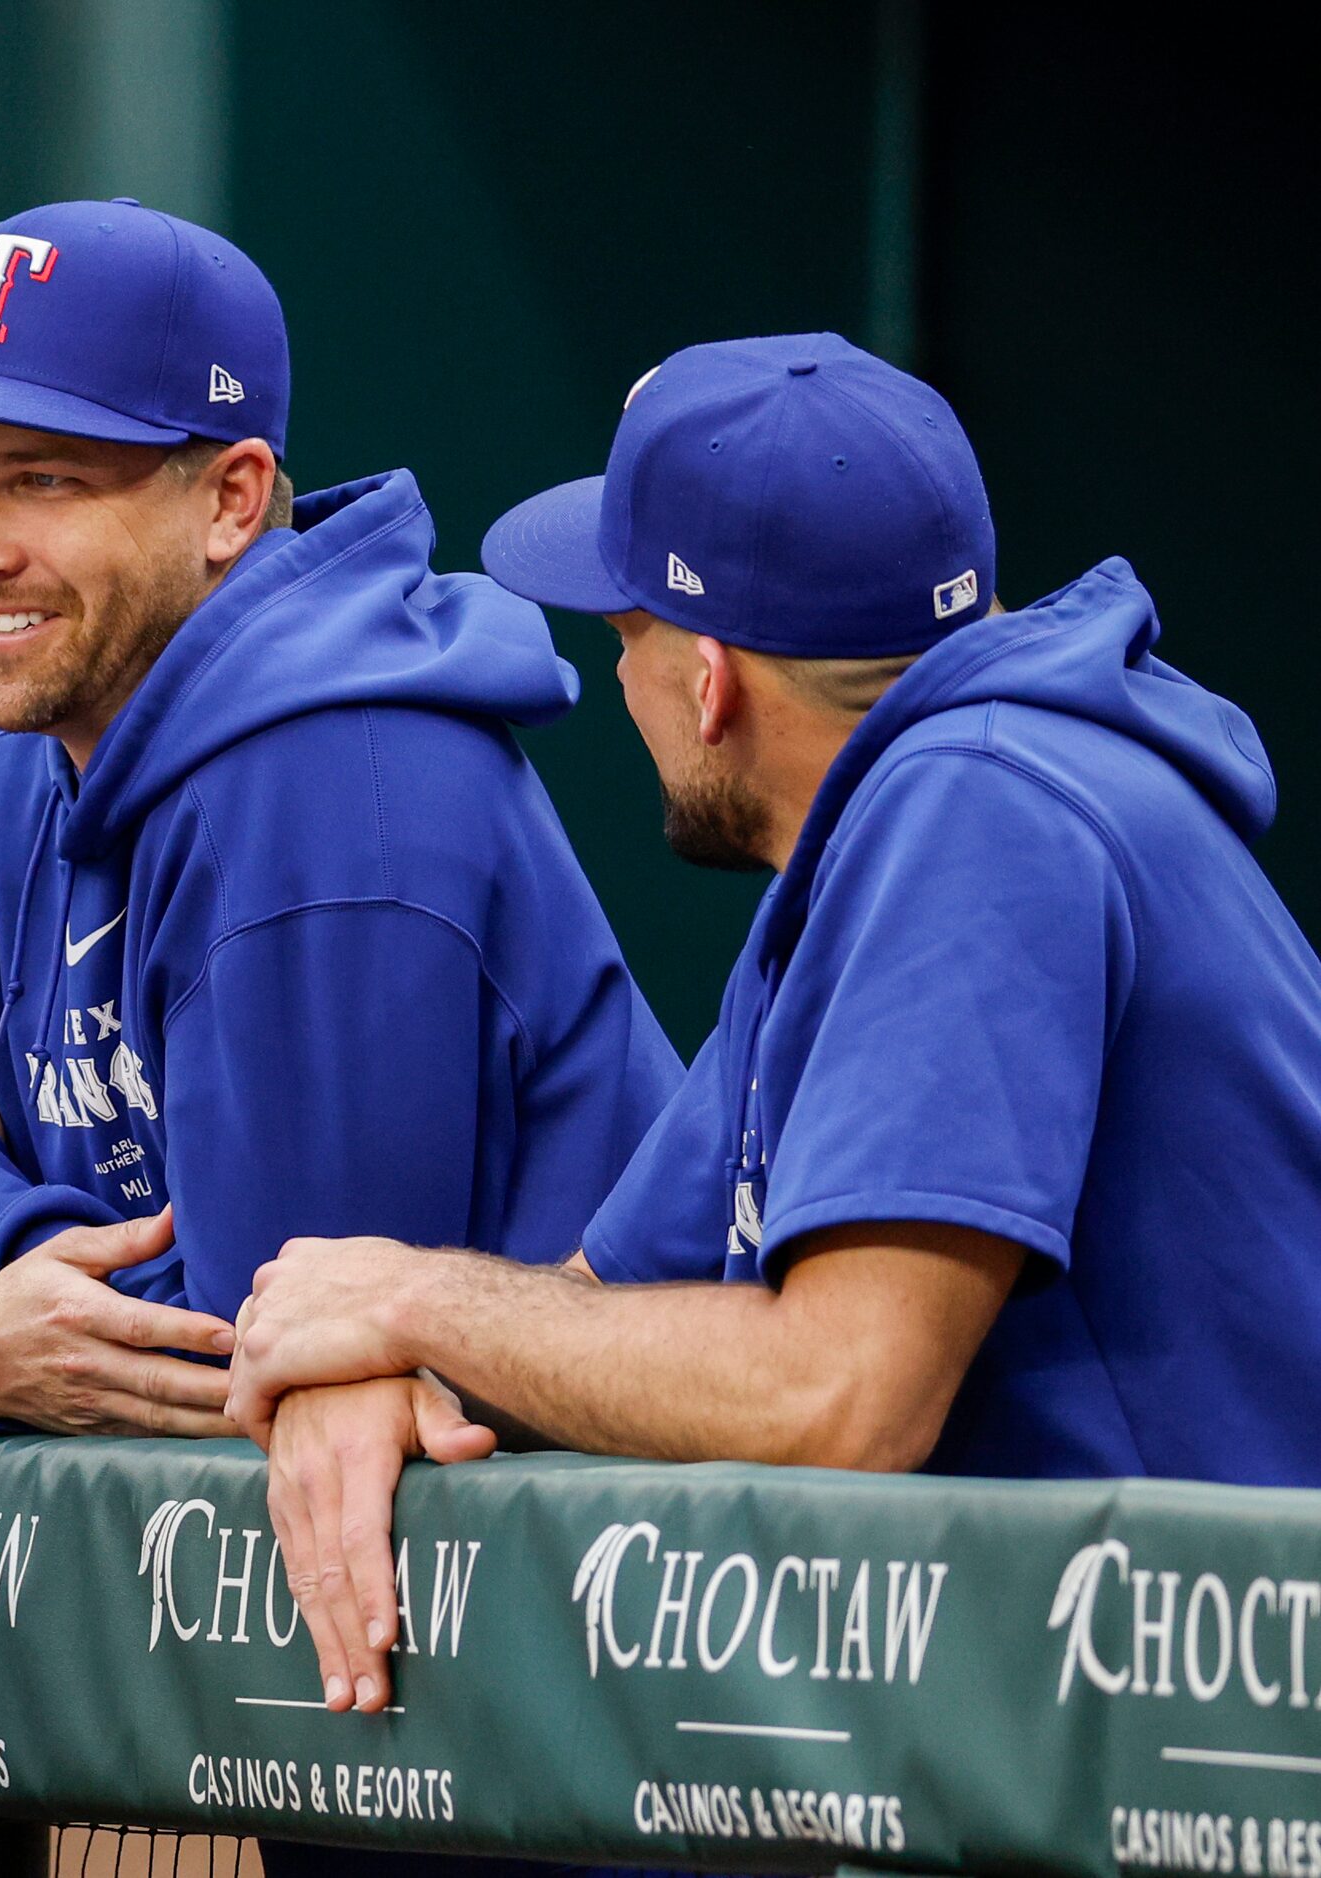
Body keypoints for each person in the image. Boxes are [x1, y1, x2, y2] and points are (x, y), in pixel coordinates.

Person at [227, 332, 1321, 1716]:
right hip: (1139, 1727)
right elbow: (604, 1303)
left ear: (704, 682)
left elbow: (839, 1397)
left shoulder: (979, 806)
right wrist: (379, 1365)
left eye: (621, 636)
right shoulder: (876, 837)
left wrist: (402, 1296)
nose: (616, 680)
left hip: (1237, 1747)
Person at [0, 200, 680, 1444]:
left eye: (43, 481)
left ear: (230, 500)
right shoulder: (1, 770)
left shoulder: (345, 789)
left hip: (564, 1574)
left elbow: (272, 1372)